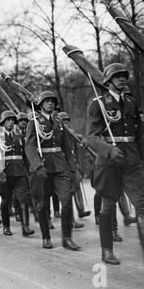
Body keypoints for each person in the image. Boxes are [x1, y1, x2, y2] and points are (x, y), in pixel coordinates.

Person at [86, 63, 144, 264]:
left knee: (142, 204)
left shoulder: (131, 102)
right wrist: (109, 150)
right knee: (108, 206)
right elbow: (91, 137)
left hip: (132, 160)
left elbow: (139, 136)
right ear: (108, 81)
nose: (122, 79)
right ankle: (106, 250)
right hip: (109, 161)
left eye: (123, 76)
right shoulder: (98, 103)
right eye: (117, 76)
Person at [26, 91, 80, 250]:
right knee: (42, 204)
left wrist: (72, 168)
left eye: (52, 101)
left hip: (60, 167)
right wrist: (37, 166)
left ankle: (67, 238)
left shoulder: (59, 122)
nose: (50, 103)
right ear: (41, 104)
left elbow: (67, 147)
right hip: (42, 167)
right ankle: (46, 237)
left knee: (67, 201)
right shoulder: (34, 122)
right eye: (47, 101)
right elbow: (30, 147)